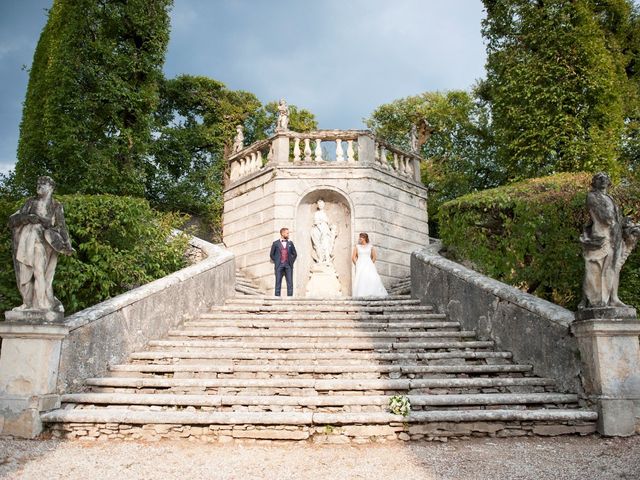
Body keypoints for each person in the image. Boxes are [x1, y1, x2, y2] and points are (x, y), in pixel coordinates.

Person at [8, 175, 75, 312]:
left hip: (44, 243)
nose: (39, 185)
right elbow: (12, 220)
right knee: (25, 274)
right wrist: (27, 218)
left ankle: (42, 303)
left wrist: (67, 245)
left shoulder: (56, 205)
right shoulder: (30, 202)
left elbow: (62, 227)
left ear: (51, 187)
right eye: (38, 183)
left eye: (43, 183)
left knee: (40, 272)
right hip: (27, 241)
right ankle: (28, 303)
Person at [351, 232, 388, 298]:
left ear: (365, 238)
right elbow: (353, 257)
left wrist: (370, 264)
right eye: (360, 237)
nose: (360, 239)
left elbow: (374, 257)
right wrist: (357, 264)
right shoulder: (357, 247)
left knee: (371, 278)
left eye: (361, 237)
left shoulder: (370, 247)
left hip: (369, 265)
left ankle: (372, 292)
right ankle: (361, 294)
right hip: (360, 265)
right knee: (361, 279)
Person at [270, 227, 297, 296]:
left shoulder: (290, 243)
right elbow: (271, 254)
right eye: (287, 233)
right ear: (282, 233)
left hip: (288, 265)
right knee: (278, 282)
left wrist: (291, 261)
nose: (288, 234)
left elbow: (295, 254)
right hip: (279, 265)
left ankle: (290, 297)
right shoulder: (275, 243)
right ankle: (277, 296)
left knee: (290, 282)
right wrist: (277, 261)